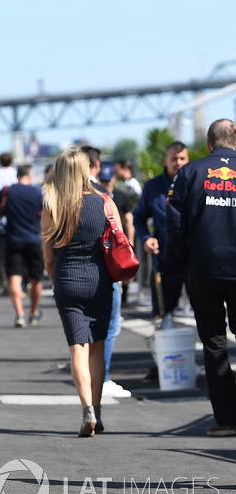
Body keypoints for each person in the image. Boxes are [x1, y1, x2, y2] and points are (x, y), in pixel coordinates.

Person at [166, 118, 236, 437]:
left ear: (208, 145)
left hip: (204, 267)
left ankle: (226, 418)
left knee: (214, 340)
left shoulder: (190, 172)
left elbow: (175, 221)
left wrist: (186, 259)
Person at [42, 147, 118, 437]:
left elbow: (48, 257)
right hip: (100, 279)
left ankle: (86, 409)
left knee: (77, 348)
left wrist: (56, 280)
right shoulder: (105, 202)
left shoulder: (53, 204)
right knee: (97, 347)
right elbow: (119, 240)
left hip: (67, 280)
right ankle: (97, 411)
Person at [133, 141, 189, 382]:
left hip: (195, 259)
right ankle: (160, 362)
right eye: (174, 158)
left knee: (208, 314)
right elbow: (139, 218)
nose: (178, 163)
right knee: (162, 314)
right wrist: (145, 238)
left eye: (182, 159)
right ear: (166, 160)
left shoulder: (196, 180)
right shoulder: (153, 187)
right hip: (164, 260)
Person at [81, 146, 132, 400]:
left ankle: (87, 389)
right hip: (105, 271)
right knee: (107, 329)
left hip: (73, 272)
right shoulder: (103, 196)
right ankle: (104, 378)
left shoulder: (63, 194)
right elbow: (119, 234)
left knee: (79, 337)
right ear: (97, 165)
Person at [0, 165, 44, 327]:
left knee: (14, 276)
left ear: (17, 175)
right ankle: (33, 312)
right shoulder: (38, 192)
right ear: (30, 175)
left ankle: (19, 314)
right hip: (34, 238)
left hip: (13, 238)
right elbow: (44, 214)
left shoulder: (7, 191)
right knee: (36, 278)